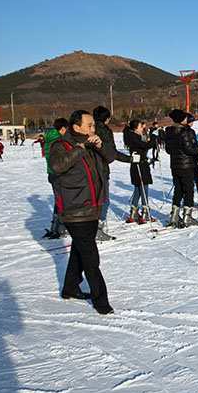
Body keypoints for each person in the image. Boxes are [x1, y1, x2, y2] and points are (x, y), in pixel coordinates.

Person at [48, 109, 116, 315]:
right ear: (76, 127)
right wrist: (80, 148)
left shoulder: (92, 143)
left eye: (94, 125)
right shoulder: (61, 145)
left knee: (80, 248)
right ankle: (101, 301)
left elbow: (111, 158)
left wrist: (100, 145)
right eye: (89, 126)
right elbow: (57, 166)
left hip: (92, 207)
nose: (93, 129)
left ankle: (70, 287)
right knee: (90, 255)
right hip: (75, 209)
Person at [93, 106, 131, 241]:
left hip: (85, 170)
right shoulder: (104, 130)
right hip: (100, 169)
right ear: (106, 118)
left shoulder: (88, 129)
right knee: (103, 200)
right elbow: (112, 153)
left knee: (90, 200)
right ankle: (97, 229)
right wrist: (130, 159)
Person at [165, 109, 198, 228]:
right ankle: (187, 216)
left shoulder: (169, 131)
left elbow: (168, 150)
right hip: (186, 165)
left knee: (178, 189)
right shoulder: (185, 132)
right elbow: (189, 149)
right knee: (188, 189)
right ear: (182, 119)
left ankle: (174, 216)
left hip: (175, 164)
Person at [123, 119, 155, 224]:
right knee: (143, 187)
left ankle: (134, 211)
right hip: (140, 164)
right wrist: (153, 138)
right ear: (136, 128)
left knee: (137, 188)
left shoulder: (131, 136)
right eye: (141, 127)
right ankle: (145, 213)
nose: (143, 129)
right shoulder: (134, 137)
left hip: (137, 164)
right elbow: (145, 146)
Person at [43, 118, 69, 239]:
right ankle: (61, 228)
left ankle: (55, 226)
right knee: (62, 200)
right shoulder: (58, 141)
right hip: (59, 173)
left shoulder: (49, 138)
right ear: (62, 128)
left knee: (58, 199)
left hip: (51, 173)